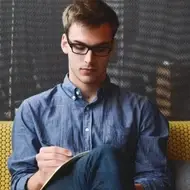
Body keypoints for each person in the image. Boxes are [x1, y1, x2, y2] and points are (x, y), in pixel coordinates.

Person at [8, 0, 171, 189]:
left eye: (100, 49)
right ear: (64, 44)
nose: (88, 59)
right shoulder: (32, 110)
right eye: (79, 46)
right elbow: (18, 182)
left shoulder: (142, 110)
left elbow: (158, 180)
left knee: (107, 157)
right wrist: (41, 176)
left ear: (112, 48)